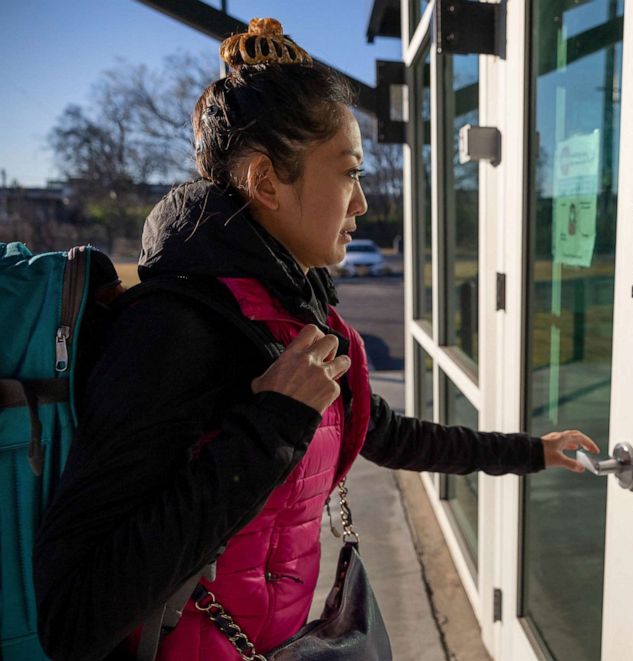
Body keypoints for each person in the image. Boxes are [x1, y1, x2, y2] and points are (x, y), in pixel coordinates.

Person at [32, 18, 599, 661]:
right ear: (266, 181)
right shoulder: (170, 330)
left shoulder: (294, 315)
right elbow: (73, 615)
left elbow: (388, 434)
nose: (360, 204)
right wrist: (270, 425)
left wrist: (535, 452)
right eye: (349, 172)